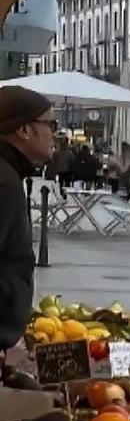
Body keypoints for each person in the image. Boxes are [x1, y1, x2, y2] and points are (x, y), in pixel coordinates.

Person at [0, 87, 55, 351]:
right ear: (24, 130)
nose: (54, 134)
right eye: (50, 125)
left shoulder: (9, 174)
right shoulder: (3, 182)